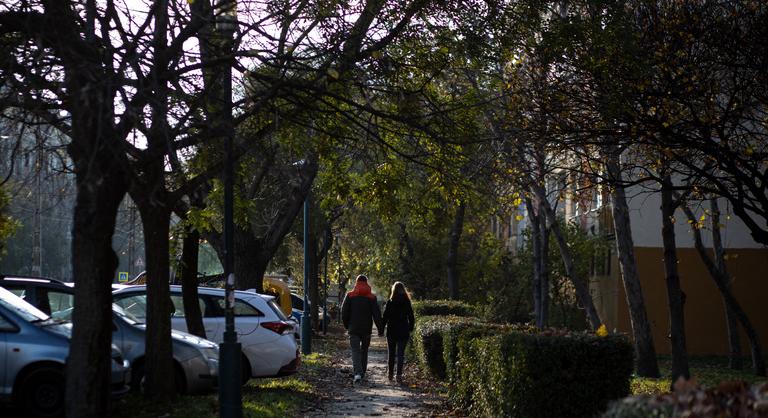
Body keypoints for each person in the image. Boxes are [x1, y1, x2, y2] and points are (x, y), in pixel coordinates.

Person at [341, 274, 383, 383]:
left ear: (356, 282)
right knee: (364, 350)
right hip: (366, 329)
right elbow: (376, 314)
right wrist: (380, 329)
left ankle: (358, 373)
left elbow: (344, 312)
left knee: (355, 351)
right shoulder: (372, 297)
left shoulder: (350, 295)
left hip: (353, 328)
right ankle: (362, 372)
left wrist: (347, 325)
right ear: (366, 282)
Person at [380, 281, 415, 383]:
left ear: (393, 290)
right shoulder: (407, 302)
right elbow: (411, 317)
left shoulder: (390, 302)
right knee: (400, 354)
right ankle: (398, 375)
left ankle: (390, 374)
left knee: (391, 353)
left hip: (391, 330)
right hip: (403, 330)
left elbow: (385, 317)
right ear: (403, 290)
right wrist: (410, 328)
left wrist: (381, 329)